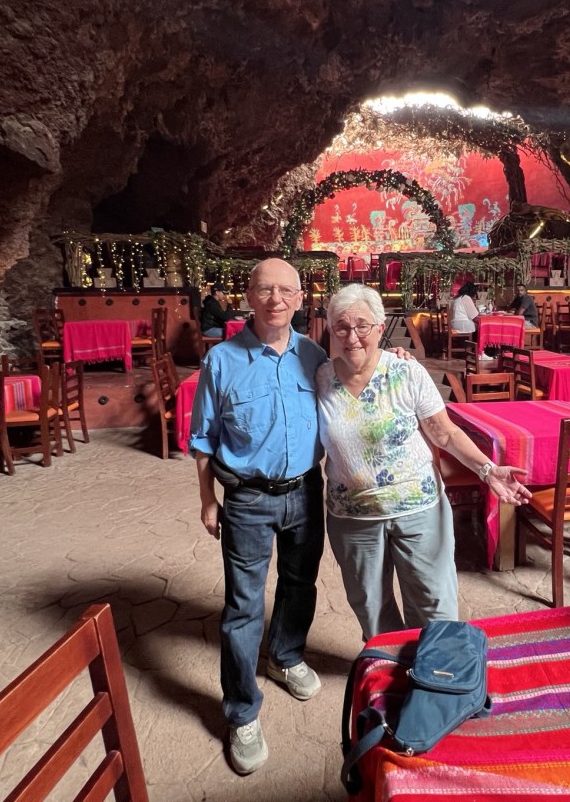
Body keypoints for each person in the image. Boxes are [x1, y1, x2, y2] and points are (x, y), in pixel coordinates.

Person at [316, 283, 532, 641]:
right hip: (353, 517)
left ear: (380, 328)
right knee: (371, 607)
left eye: (362, 326)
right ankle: (389, 665)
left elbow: (444, 433)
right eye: (341, 327)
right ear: (331, 329)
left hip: (418, 510)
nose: (352, 337)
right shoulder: (320, 378)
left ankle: (435, 669)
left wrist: (488, 470)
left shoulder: (406, 372)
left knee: (433, 604)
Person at [189, 259, 325, 776]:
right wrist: (207, 499)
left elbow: (359, 384)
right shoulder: (221, 361)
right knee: (243, 606)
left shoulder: (314, 356)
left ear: (299, 297)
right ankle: (242, 711)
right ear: (248, 295)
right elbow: (203, 438)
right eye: (265, 289)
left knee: (300, 583)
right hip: (246, 498)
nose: (276, 299)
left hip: (306, 492)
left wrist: (395, 357)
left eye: (286, 290)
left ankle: (285, 656)